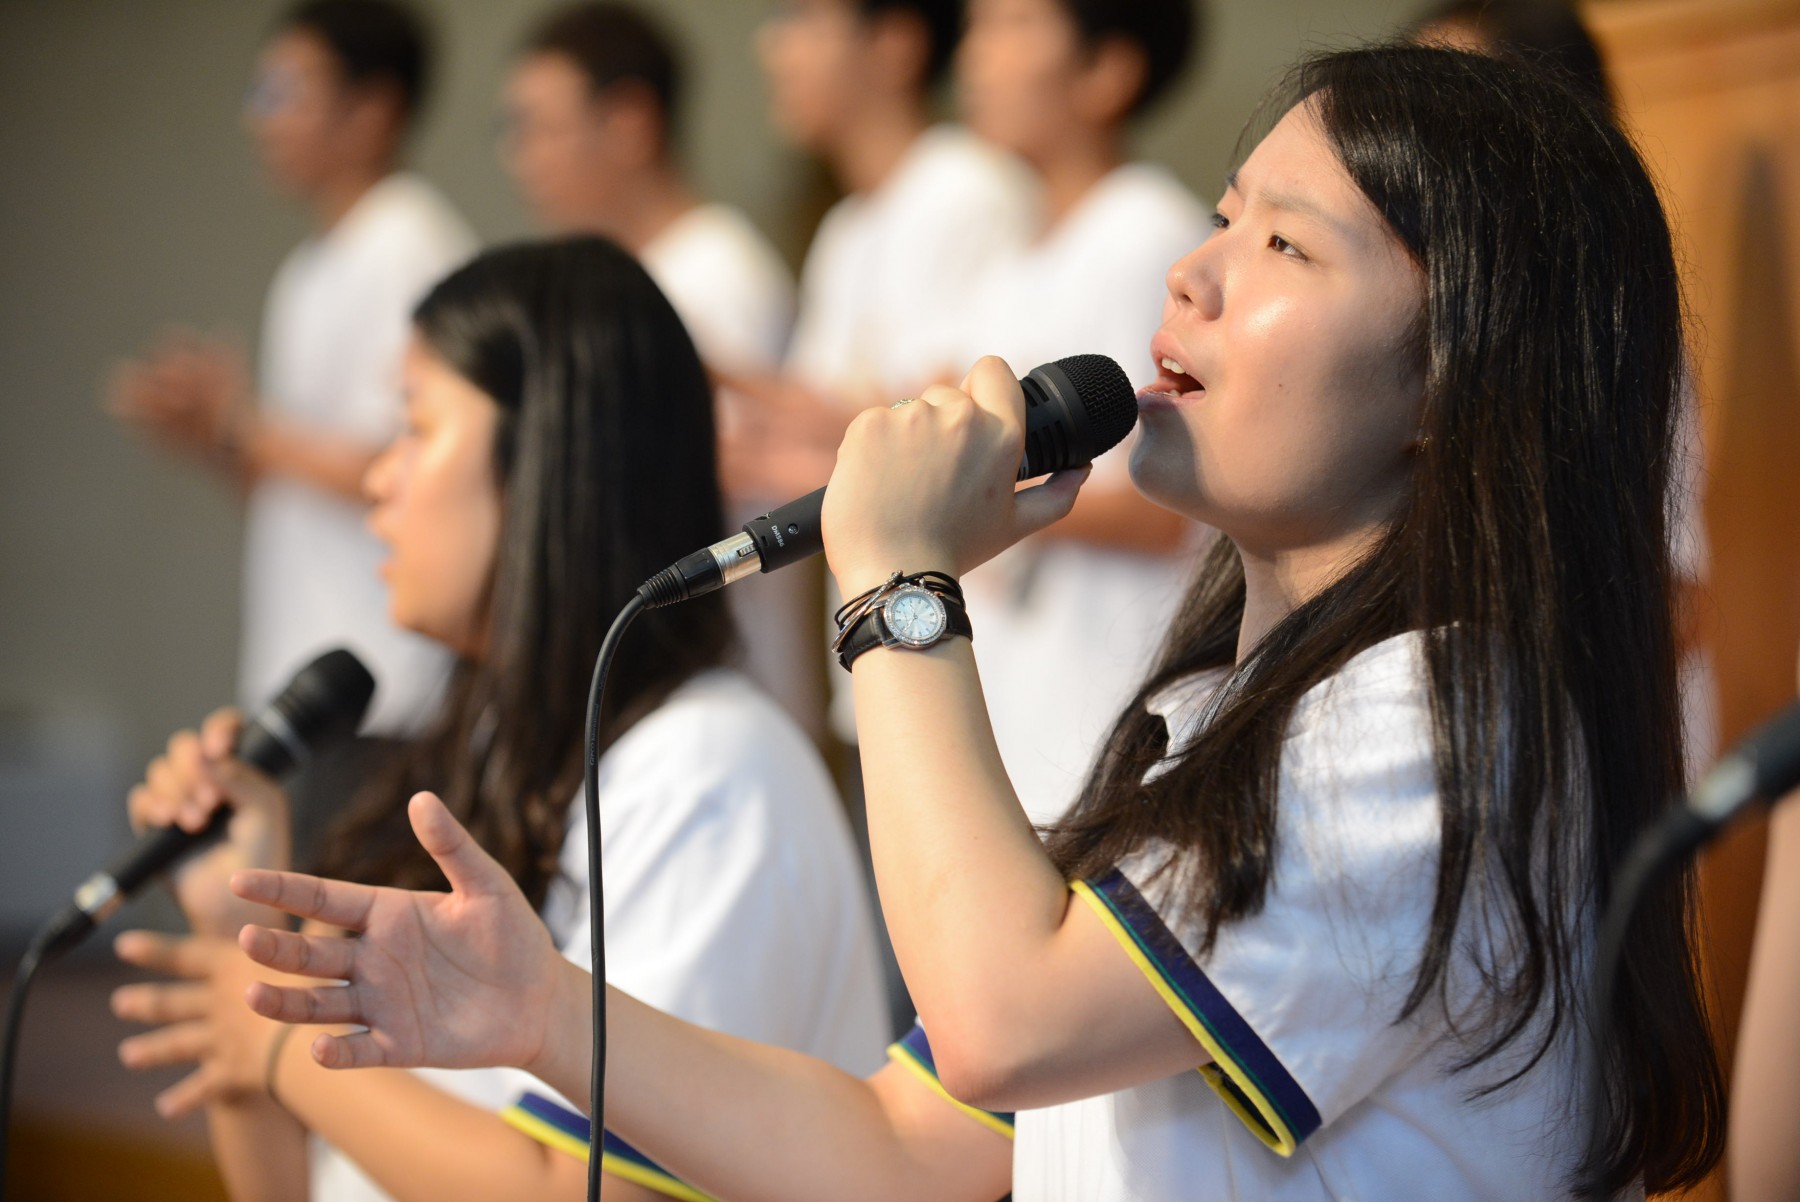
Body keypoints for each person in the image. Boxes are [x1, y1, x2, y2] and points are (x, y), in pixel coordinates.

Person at [229, 45, 1725, 1200]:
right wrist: (540, 1009)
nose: (1188, 273)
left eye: (1283, 246)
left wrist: (896, 586)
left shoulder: (1452, 716)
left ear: (1452, 373)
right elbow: (904, 1142)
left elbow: (1002, 1011)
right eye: (1220, 217)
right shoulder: (1217, 720)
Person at [108, 239, 887, 1202]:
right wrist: (252, 939)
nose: (380, 481)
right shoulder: (491, 749)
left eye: (414, 428)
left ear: (546, 462)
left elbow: (591, 1188)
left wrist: (277, 1041)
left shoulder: (711, 773)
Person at [109, 0, 475, 742]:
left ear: (374, 108)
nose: (262, 118)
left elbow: (415, 467)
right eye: (259, 93)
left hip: (385, 688)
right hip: (306, 671)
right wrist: (221, 442)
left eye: (286, 92)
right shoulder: (309, 268)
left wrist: (244, 426)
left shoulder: (409, 245)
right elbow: (293, 488)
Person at [950, 0, 1210, 824]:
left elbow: (1167, 505)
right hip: (1024, 698)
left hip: (1102, 702)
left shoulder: (1143, 231)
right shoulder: (1009, 249)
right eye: (976, 23)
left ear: (1106, 72)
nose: (976, 52)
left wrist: (975, 504)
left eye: (1014, 24)